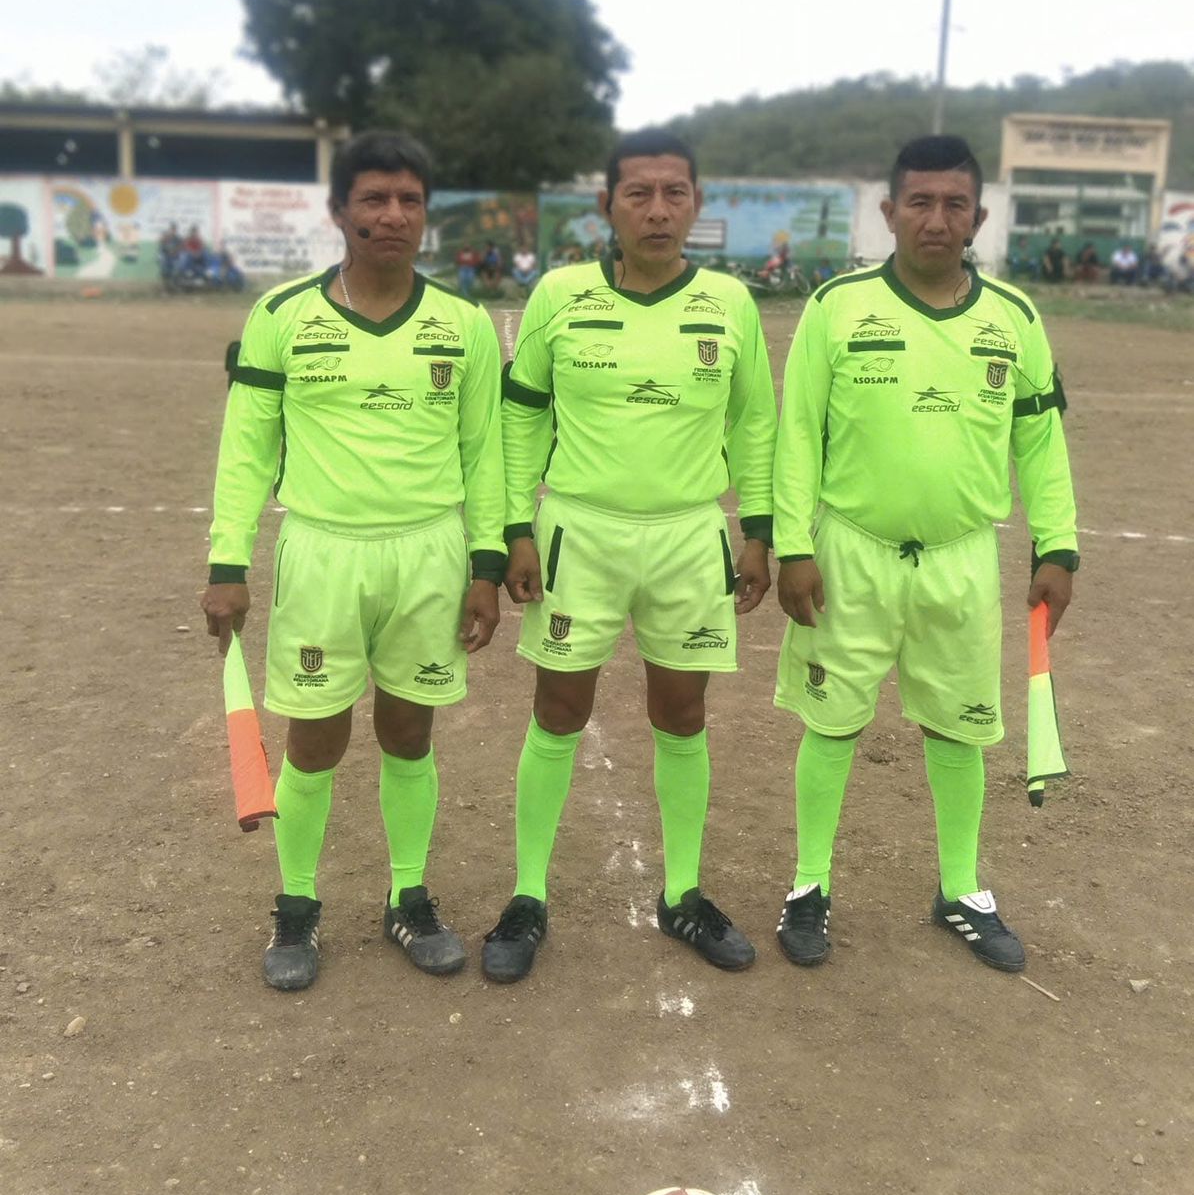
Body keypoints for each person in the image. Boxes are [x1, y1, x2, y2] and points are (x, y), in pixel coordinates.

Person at [201, 131, 506, 991]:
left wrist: (485, 566)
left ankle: (408, 897)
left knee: (409, 731)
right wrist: (227, 563)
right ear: (339, 211)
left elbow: (484, 453)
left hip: (428, 553)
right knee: (315, 739)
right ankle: (297, 905)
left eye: (410, 200)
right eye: (374, 198)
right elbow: (247, 449)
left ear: (426, 215)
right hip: (323, 551)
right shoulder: (281, 316)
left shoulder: (464, 325)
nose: (393, 215)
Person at [772, 135, 1078, 976]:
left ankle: (960, 889)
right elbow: (797, 435)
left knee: (960, 727)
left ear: (978, 216)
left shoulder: (1013, 317)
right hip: (850, 553)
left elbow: (1040, 441)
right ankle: (808, 885)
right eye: (920, 202)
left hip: (962, 559)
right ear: (889, 211)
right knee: (832, 722)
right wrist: (793, 544)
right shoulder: (836, 307)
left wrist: (1058, 544)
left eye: (954, 205)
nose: (936, 219)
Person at [480, 128, 777, 982]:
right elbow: (521, 417)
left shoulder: (729, 303)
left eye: (674, 193)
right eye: (638, 194)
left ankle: (683, 893)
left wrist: (758, 531)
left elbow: (755, 422)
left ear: (696, 203)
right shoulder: (560, 295)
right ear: (606, 205)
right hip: (580, 533)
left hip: (689, 536)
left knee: (683, 714)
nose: (657, 210)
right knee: (558, 710)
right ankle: (528, 896)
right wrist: (516, 527)